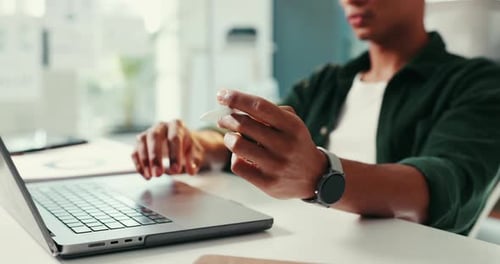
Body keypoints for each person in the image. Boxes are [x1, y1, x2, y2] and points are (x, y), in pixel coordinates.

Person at [132, 0, 500, 235]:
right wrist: (196, 142)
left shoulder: (478, 85)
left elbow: (443, 188)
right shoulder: (327, 82)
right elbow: (260, 139)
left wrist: (322, 176)